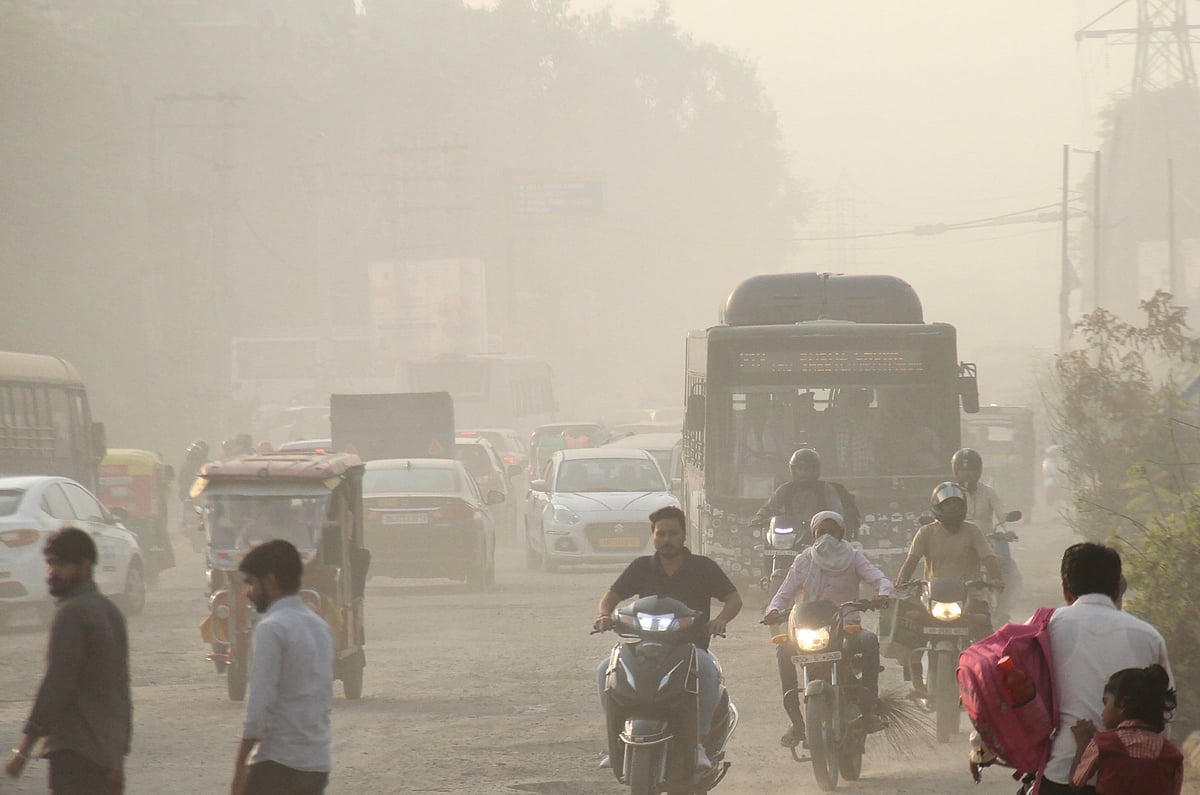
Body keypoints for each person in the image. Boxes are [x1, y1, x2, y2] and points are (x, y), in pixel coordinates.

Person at [594, 506, 742, 769]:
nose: (667, 539)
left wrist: (720, 620)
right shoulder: (641, 567)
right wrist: (605, 615)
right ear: (653, 537)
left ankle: (699, 742)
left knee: (708, 673)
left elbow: (733, 599)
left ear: (684, 536)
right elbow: (610, 598)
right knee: (605, 669)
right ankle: (615, 743)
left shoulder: (703, 567)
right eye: (660, 534)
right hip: (643, 649)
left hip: (690, 648)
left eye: (673, 533)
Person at [1038, 543, 1172, 794]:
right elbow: (1165, 713)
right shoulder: (1148, 636)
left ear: (1066, 590)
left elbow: (1011, 692)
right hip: (1131, 776)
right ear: (1117, 587)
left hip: (1061, 771)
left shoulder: (1044, 628)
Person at [5, 527, 131, 795]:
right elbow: (121, 692)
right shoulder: (110, 612)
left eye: (61, 563)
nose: (51, 572)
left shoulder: (72, 614)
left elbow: (57, 683)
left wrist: (23, 750)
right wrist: (117, 758)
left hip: (75, 752)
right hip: (105, 754)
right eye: (49, 563)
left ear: (85, 566)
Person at [762, 511, 894, 747]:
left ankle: (869, 710)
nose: (826, 537)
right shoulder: (803, 561)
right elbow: (783, 593)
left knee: (869, 641)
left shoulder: (854, 558)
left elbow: (880, 579)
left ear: (842, 533)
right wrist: (773, 610)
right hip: (807, 632)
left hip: (846, 627)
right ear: (813, 534)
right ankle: (797, 722)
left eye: (832, 531)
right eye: (821, 532)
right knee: (783, 651)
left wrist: (883, 594)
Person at [231, 539, 333, 795]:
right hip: (316, 765)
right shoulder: (319, 627)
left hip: (278, 766)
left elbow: (260, 707)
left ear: (271, 581)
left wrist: (239, 767)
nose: (248, 592)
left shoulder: (272, 628)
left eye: (252, 583)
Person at [895, 481, 1003, 696]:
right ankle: (916, 679)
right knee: (908, 630)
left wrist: (996, 578)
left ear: (963, 506)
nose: (952, 509)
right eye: (947, 506)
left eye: (956, 505)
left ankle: (988, 684)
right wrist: (899, 585)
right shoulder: (925, 532)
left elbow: (988, 557)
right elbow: (911, 562)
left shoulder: (973, 531)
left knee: (985, 637)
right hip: (931, 596)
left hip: (969, 595)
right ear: (937, 507)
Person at [1069, 664, 1183, 794]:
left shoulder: (1103, 744)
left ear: (1123, 704)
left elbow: (1076, 781)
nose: (1102, 712)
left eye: (1106, 702)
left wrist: (1083, 743)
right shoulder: (1172, 755)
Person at [952, 448, 1023, 624]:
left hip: (988, 541)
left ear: (979, 471)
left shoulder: (988, 491)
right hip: (957, 542)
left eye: (970, 470)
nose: (966, 474)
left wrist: (1006, 530)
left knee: (1012, 573)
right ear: (955, 471)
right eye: (962, 470)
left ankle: (1002, 613)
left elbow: (1001, 512)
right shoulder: (950, 492)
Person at [752, 448, 861, 540]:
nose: (803, 472)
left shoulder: (825, 489)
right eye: (800, 468)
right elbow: (770, 506)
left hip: (819, 537)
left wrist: (828, 522)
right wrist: (760, 516)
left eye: (807, 469)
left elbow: (837, 512)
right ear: (793, 470)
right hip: (791, 537)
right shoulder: (786, 489)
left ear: (815, 470)